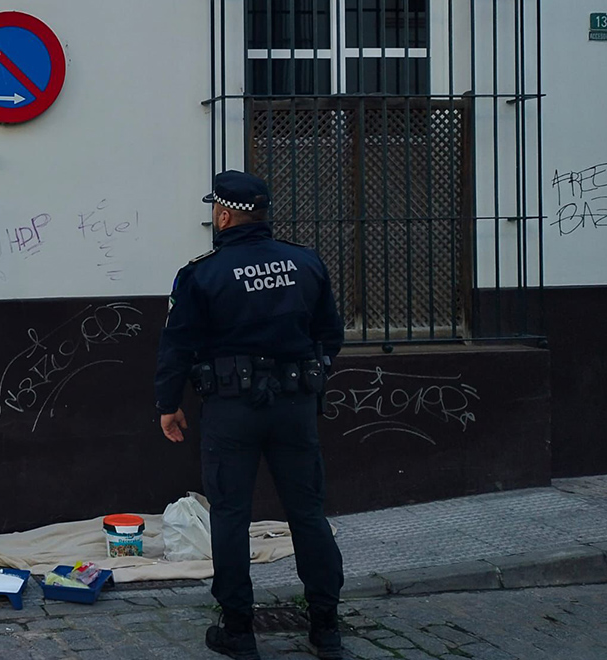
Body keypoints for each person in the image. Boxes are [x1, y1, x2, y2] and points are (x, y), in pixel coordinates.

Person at [154, 171, 345, 660]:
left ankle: (238, 629)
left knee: (231, 516)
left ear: (222, 215)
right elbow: (331, 333)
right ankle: (326, 626)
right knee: (307, 514)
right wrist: (310, 373)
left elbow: (177, 344)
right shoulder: (305, 262)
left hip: (231, 411)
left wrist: (168, 404)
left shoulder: (202, 273)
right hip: (295, 408)